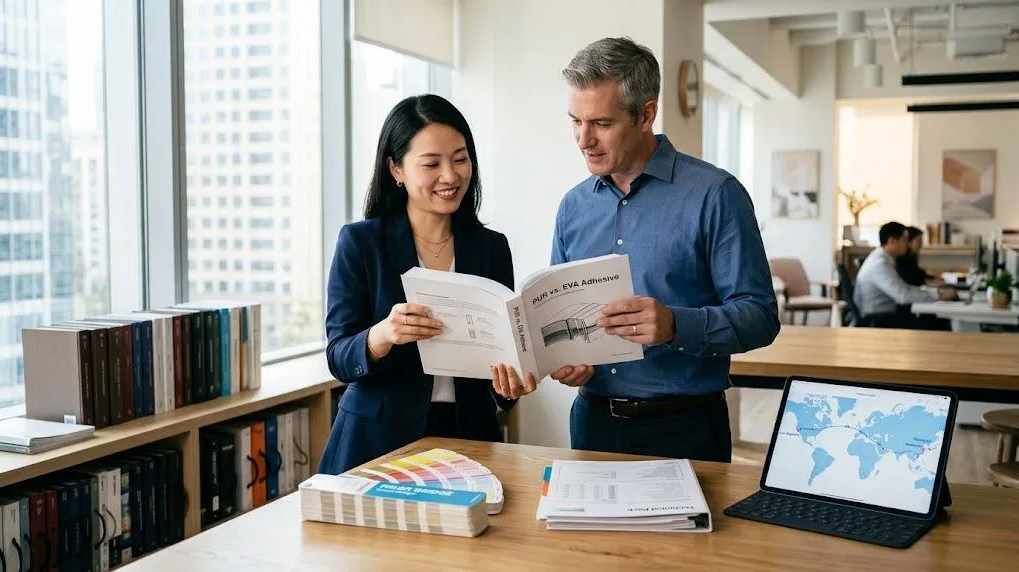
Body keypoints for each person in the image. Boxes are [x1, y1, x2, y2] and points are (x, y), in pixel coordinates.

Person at [517, 37, 780, 462]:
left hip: (686, 430)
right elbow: (560, 316)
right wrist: (568, 362)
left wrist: (676, 325)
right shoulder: (573, 206)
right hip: (592, 424)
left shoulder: (716, 195)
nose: (584, 139)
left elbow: (760, 317)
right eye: (575, 121)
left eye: (601, 123)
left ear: (646, 115)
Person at [317, 94, 535, 476]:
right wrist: (384, 334)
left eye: (460, 159)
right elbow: (339, 356)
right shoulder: (361, 243)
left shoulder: (491, 248)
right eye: (432, 164)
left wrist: (509, 387)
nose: (450, 176)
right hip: (377, 442)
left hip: (469, 436)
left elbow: (500, 357)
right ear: (396, 169)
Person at [854, 222, 952, 330]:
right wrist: (938, 295)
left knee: (934, 319)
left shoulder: (883, 259)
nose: (907, 244)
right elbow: (903, 296)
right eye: (904, 240)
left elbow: (904, 289)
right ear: (892, 241)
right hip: (877, 321)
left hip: (885, 315)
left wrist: (935, 293)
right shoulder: (880, 264)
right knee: (939, 323)